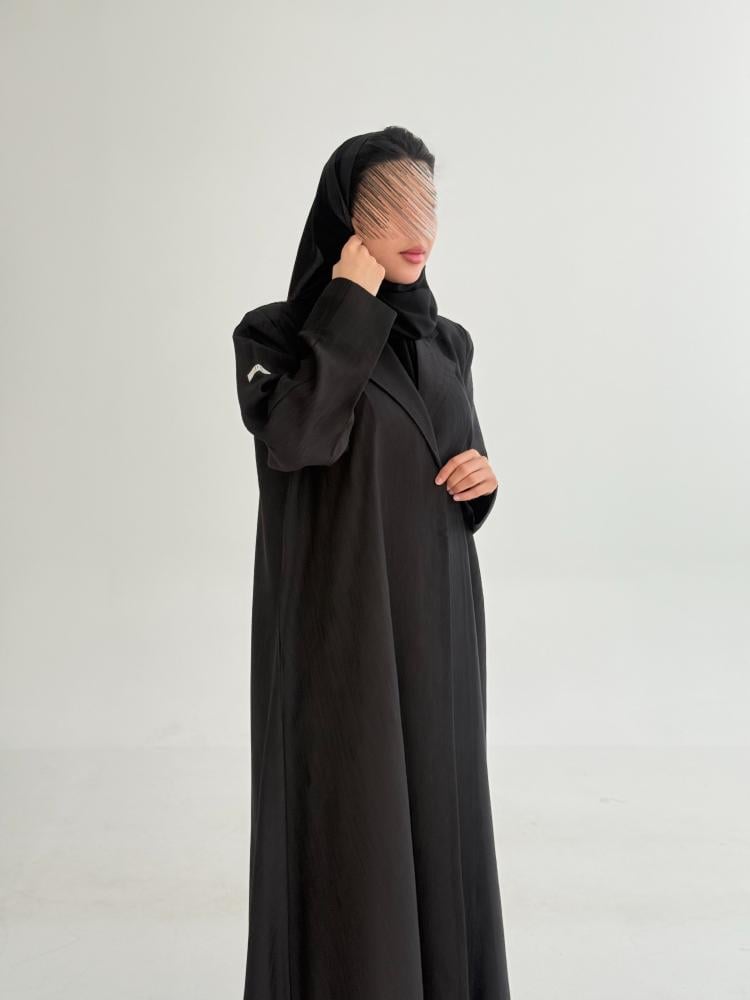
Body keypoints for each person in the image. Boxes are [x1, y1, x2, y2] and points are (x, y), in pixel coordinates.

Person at [231, 125, 512, 1000]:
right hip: (341, 621)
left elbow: (451, 459)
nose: (417, 228)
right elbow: (299, 440)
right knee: (355, 822)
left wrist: (481, 480)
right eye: (391, 207)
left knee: (439, 812)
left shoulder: (447, 342)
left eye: (427, 205)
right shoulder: (277, 336)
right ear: (345, 221)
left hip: (437, 619)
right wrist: (349, 304)